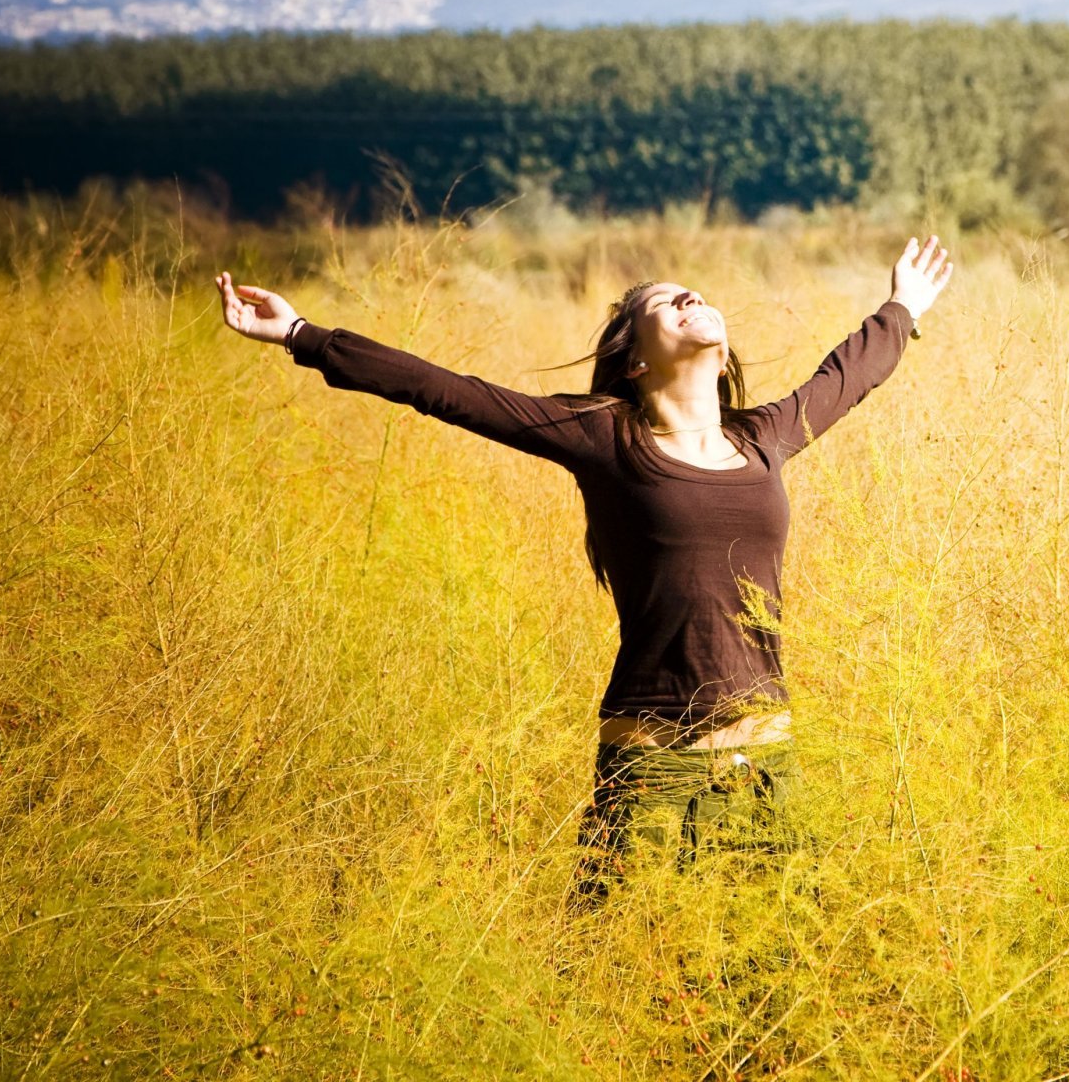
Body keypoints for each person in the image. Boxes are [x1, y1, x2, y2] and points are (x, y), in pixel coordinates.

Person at [215, 237, 954, 903]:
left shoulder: (766, 436)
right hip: (650, 769)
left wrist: (903, 308)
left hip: (765, 767)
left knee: (777, 981)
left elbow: (847, 375)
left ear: (723, 353)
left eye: (695, 293)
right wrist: (303, 335)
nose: (691, 297)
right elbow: (446, 391)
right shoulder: (605, 436)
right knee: (616, 973)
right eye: (666, 301)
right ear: (636, 361)